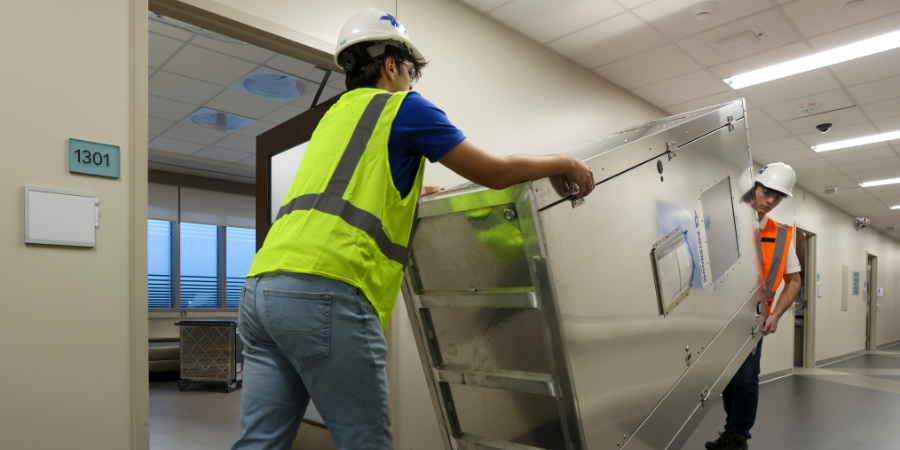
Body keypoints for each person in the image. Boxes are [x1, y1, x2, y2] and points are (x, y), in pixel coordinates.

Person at [230, 8, 595, 450]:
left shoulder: (333, 117)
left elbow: (343, 188)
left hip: (261, 289)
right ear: (390, 66)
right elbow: (496, 172)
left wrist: (405, 195)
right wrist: (566, 161)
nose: (410, 82)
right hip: (328, 290)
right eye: (409, 72)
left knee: (258, 443)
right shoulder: (403, 107)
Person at [706, 163, 802, 450]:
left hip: (753, 319)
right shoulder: (724, 223)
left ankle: (738, 436)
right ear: (753, 188)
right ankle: (731, 430)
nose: (770, 201)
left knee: (746, 377)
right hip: (716, 318)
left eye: (778, 197)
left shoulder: (782, 234)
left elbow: (794, 281)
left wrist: (776, 314)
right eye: (766, 192)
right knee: (728, 380)